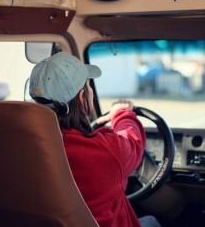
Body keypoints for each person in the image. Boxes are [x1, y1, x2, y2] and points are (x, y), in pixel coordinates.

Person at [29, 51, 161, 227]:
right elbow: (132, 140)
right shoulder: (103, 151)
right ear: (83, 98)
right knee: (152, 221)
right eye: (89, 87)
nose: (91, 92)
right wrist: (123, 113)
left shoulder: (25, 149)